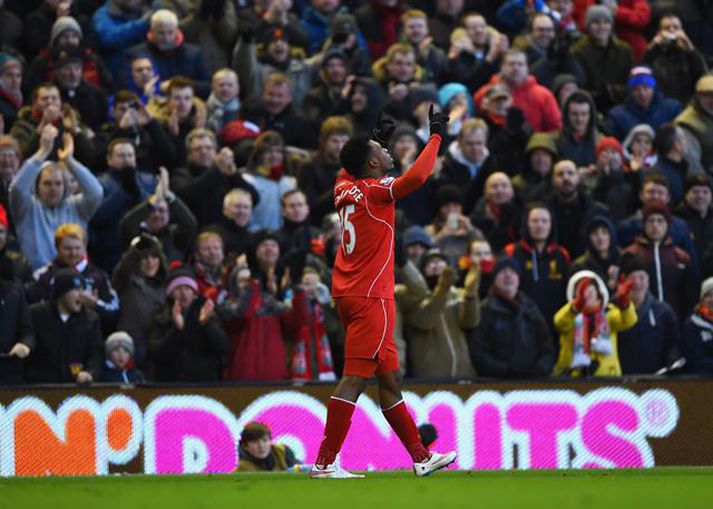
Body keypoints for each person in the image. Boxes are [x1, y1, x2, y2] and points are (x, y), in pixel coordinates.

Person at [311, 106, 456, 478]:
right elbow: (418, 176)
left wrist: (374, 140)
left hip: (350, 293)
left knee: (390, 380)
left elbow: (350, 166)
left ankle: (421, 457)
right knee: (355, 378)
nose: (388, 151)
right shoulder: (376, 192)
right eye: (381, 148)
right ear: (373, 163)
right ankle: (325, 463)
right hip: (372, 297)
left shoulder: (344, 188)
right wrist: (435, 135)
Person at [9, 125, 103, 270]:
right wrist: (42, 152)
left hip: (74, 276)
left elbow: (96, 192)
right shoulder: (26, 208)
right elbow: (17, 188)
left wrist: (70, 161)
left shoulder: (77, 207)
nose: (53, 188)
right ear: (37, 186)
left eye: (58, 183)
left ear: (64, 186)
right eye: (47, 183)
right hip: (36, 279)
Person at [468, 256, 555, 379]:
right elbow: (478, 353)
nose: (508, 276)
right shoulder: (485, 309)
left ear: (519, 279)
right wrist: (507, 371)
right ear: (494, 279)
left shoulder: (531, 308)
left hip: (533, 384)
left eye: (513, 272)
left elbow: (547, 348)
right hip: (497, 386)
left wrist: (540, 369)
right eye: (503, 272)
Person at [30, 222, 120, 334]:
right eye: (67, 248)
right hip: (52, 337)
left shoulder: (99, 276)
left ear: (84, 247)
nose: (73, 253)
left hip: (89, 339)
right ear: (57, 248)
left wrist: (95, 305)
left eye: (77, 248)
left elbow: (114, 314)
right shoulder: (42, 275)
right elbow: (33, 311)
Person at [403, 248, 480, 378]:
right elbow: (424, 321)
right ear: (422, 271)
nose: (437, 265)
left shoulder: (458, 294)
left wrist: (471, 293)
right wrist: (443, 288)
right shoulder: (414, 296)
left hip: (463, 375)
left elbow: (470, 322)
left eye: (441, 261)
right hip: (430, 379)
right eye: (431, 263)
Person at [148, 264, 228, 382]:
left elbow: (223, 347)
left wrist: (206, 324)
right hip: (171, 388)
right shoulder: (160, 317)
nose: (184, 294)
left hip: (204, 387)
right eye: (178, 289)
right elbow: (156, 354)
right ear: (170, 293)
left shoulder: (206, 313)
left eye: (187, 288)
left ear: (194, 292)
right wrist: (176, 330)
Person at [623, 201, 698, 323]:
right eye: (651, 221)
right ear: (644, 224)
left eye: (660, 221)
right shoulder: (630, 254)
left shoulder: (681, 257)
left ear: (668, 224)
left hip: (676, 322)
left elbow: (690, 296)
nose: (655, 225)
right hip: (640, 322)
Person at [25, 268, 104, 384]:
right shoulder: (36, 314)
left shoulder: (91, 319)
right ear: (61, 292)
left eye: (83, 289)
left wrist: (90, 373)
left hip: (76, 389)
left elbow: (96, 354)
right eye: (76, 290)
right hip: (39, 389)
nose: (81, 295)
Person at [553, 269, 637, 376]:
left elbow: (628, 321)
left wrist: (624, 303)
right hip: (575, 377)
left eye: (591, 291)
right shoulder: (570, 314)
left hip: (607, 378)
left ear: (599, 293)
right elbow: (559, 323)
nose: (588, 295)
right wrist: (575, 307)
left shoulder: (609, 313)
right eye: (583, 291)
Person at [504, 202, 570, 334]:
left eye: (544, 221)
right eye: (534, 221)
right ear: (526, 224)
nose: (539, 225)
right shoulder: (511, 252)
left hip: (554, 325)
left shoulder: (561, 254)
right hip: (520, 326)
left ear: (551, 225)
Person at [112, 233, 167, 375]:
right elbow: (122, 271)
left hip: (158, 352)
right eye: (144, 258)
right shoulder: (128, 282)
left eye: (154, 257)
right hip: (131, 351)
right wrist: (138, 245)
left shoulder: (167, 286)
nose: (150, 262)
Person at [617, 255, 682, 375]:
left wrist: (673, 362)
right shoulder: (613, 310)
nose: (637, 283)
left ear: (648, 280)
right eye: (632, 278)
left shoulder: (663, 311)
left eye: (642, 278)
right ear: (624, 281)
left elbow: (672, 344)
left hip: (656, 381)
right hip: (621, 382)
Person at [474, 49, 562, 133]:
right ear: (502, 67)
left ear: (527, 67)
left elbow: (555, 129)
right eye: (511, 64)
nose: (516, 68)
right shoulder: (484, 94)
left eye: (520, 64)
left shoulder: (544, 96)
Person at [604, 66, 682, 141]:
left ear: (654, 89)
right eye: (636, 89)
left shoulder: (671, 110)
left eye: (646, 87)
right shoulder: (618, 116)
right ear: (631, 92)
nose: (642, 94)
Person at [676, 75, 713, 174]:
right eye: (707, 95)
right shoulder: (686, 124)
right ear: (698, 97)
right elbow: (693, 165)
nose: (712, 100)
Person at [682, 277, 713, 375]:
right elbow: (693, 359)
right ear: (702, 299)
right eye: (708, 295)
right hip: (701, 380)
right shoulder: (692, 324)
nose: (712, 299)